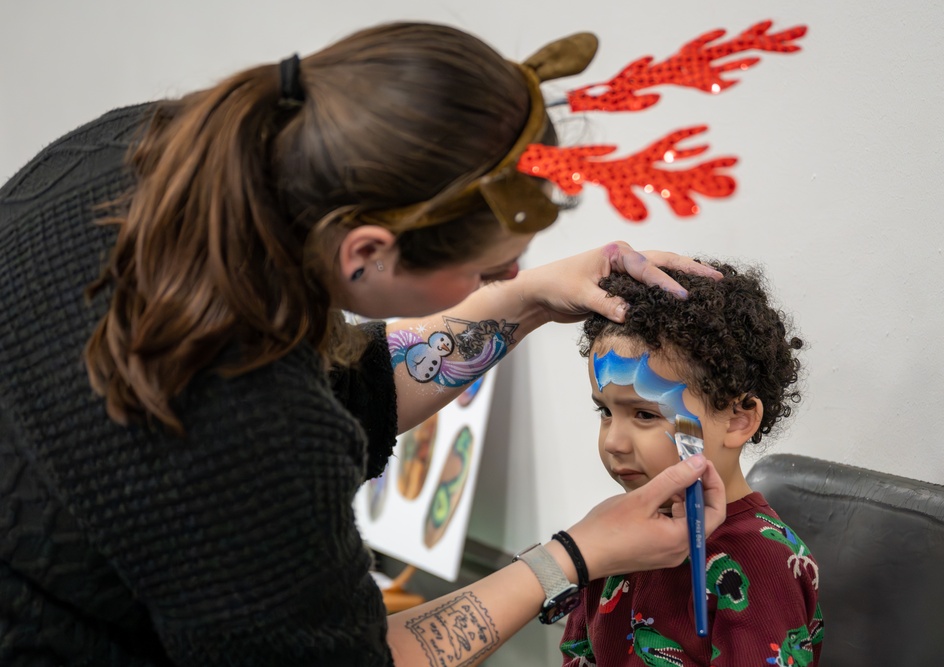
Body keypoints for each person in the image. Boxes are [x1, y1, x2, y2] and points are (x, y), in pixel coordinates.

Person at [0, 21, 729, 667]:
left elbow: (340, 384)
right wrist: (572, 555)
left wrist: (524, 298)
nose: (505, 274)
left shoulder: (148, 146)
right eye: (488, 268)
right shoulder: (246, 424)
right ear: (365, 253)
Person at [560, 261, 824, 666]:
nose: (612, 441)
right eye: (605, 413)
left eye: (645, 415)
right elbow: (580, 653)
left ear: (738, 420)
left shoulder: (764, 565)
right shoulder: (616, 533)